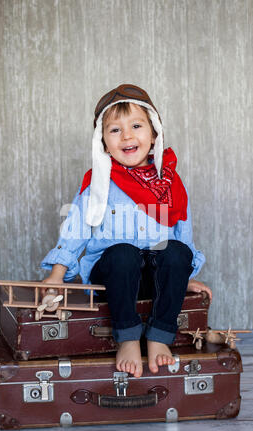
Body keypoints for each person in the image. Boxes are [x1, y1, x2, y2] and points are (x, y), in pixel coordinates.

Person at [40, 84, 212, 378]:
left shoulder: (169, 183)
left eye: (136, 126)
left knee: (174, 250)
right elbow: (75, 228)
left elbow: (183, 233)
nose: (128, 135)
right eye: (115, 130)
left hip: (151, 277)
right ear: (104, 142)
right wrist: (58, 273)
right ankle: (128, 338)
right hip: (112, 276)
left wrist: (184, 276)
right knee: (123, 253)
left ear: (153, 134)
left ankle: (159, 336)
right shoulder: (99, 182)